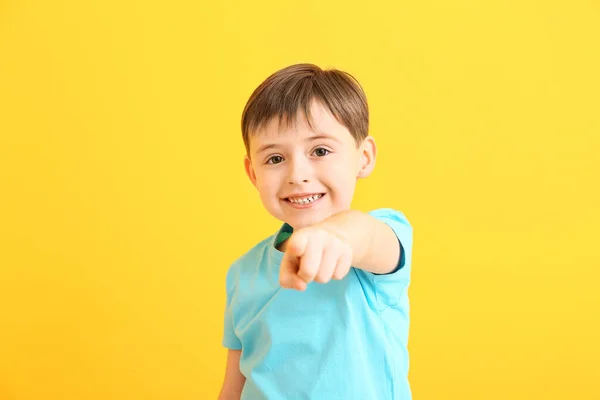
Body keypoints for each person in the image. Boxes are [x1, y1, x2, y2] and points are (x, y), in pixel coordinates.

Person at [218, 63, 414, 400]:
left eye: (320, 151)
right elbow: (234, 386)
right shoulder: (241, 274)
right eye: (275, 158)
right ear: (253, 173)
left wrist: (333, 237)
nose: (298, 174)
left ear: (363, 157)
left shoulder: (382, 238)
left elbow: (362, 236)